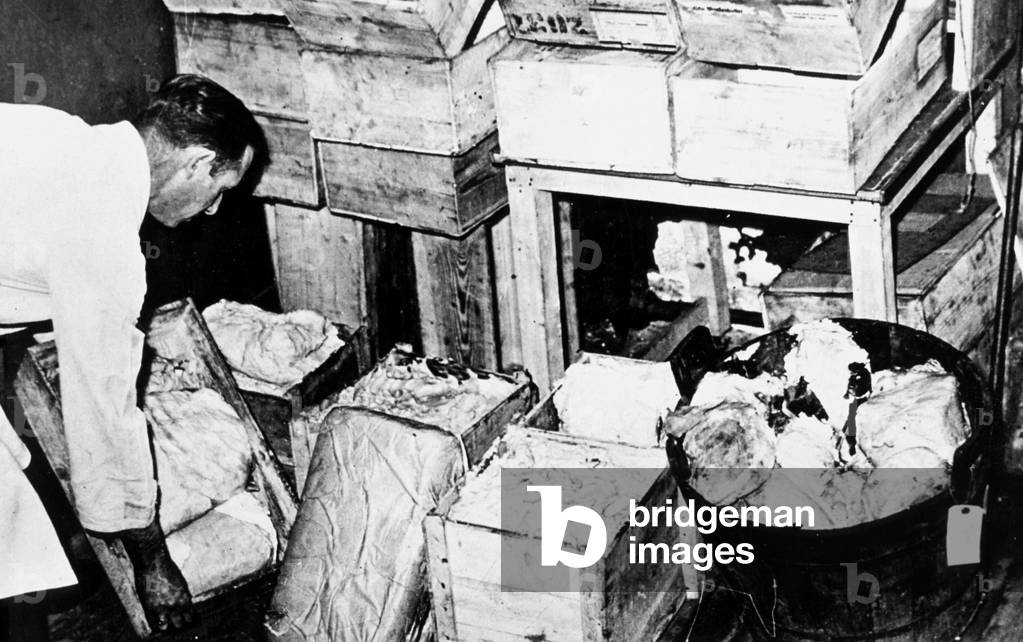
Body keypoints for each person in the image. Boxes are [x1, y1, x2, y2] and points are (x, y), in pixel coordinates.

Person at [0, 74, 267, 631]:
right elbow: (103, 421)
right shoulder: (105, 240)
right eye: (219, 191)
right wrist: (153, 562)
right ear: (196, 163)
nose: (212, 210)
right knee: (9, 545)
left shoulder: (59, 133)